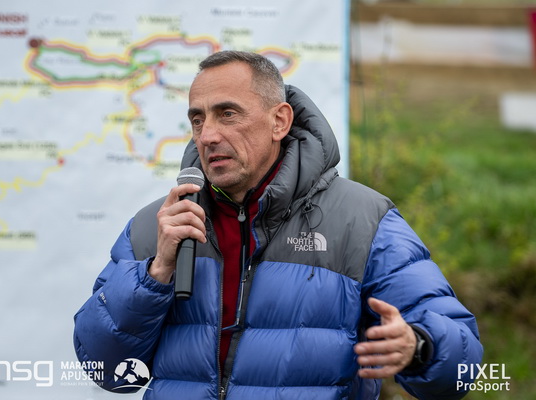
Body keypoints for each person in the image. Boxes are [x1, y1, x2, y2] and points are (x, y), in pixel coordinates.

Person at [73, 51, 483, 399]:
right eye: (198, 119)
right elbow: (103, 368)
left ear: (279, 121)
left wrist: (419, 348)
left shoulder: (361, 219)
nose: (208, 135)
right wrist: (156, 273)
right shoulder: (159, 226)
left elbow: (464, 368)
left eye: (228, 114)